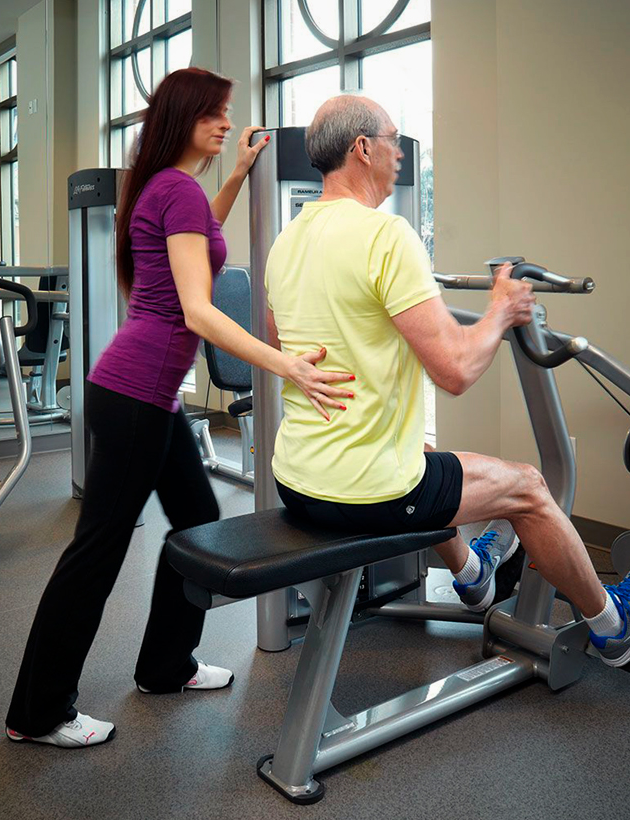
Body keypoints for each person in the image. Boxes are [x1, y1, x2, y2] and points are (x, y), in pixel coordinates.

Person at [5, 69, 356, 749]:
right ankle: (37, 710)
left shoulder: (168, 188)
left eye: (228, 115)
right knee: (98, 550)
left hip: (139, 393)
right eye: (214, 116)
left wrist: (237, 174)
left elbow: (195, 246)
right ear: (183, 118)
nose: (226, 125)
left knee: (195, 520)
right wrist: (283, 365)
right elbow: (198, 305)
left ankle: (166, 665)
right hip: (136, 396)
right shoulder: (176, 191)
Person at [264, 94, 630, 668]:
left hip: (296, 479)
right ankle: (613, 628)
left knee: (423, 449)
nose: (401, 156)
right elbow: (457, 371)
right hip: (367, 495)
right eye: (392, 140)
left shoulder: (286, 243)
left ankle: (474, 575)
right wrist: (501, 310)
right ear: (362, 149)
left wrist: (379, 325)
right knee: (530, 488)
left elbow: (285, 341)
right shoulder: (386, 236)